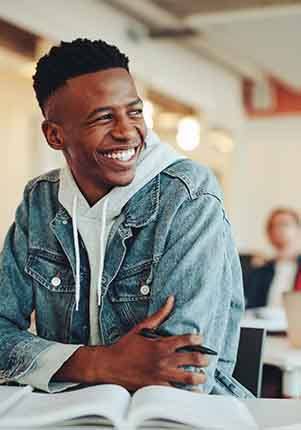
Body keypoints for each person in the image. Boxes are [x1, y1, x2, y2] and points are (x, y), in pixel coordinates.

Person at [0, 38, 249, 397]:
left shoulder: (188, 193)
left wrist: (60, 363)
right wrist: (101, 363)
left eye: (134, 112)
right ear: (55, 135)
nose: (127, 131)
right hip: (67, 413)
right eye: (103, 117)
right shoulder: (41, 200)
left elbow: (185, 373)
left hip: (179, 417)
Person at [246, 207, 301, 309]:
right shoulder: (260, 270)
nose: (277, 229)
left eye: (284, 224)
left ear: (298, 229)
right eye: (272, 226)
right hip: (263, 323)